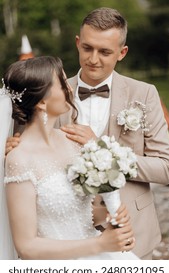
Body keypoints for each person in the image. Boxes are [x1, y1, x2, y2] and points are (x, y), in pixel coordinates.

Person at [6, 7, 169, 259]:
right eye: (87, 48)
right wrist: (9, 147)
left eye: (105, 51)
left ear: (122, 52)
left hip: (132, 233)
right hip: (59, 241)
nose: (93, 59)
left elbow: (166, 168)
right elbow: (25, 158)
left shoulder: (144, 94)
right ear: (77, 43)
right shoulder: (47, 91)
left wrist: (103, 151)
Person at [0, 56, 137, 260]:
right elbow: (26, 246)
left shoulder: (72, 140)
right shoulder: (19, 159)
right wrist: (99, 244)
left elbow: (75, 212)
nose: (70, 88)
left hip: (99, 255)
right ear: (42, 102)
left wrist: (109, 217)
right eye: (63, 83)